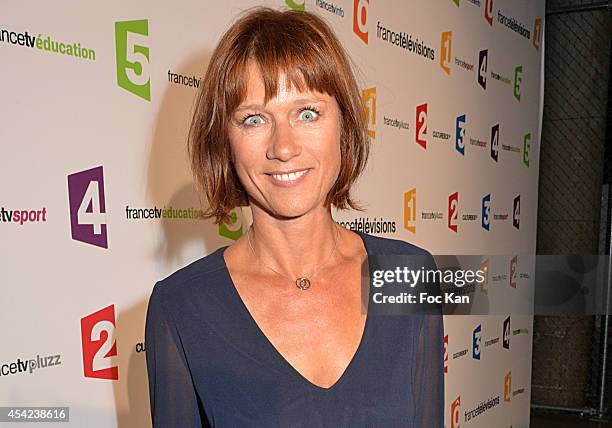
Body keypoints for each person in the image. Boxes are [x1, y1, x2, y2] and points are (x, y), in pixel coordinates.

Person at [145, 6, 444, 427]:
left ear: (344, 123)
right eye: (253, 119)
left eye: (307, 113)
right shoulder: (179, 307)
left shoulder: (412, 273)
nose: (283, 146)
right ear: (224, 140)